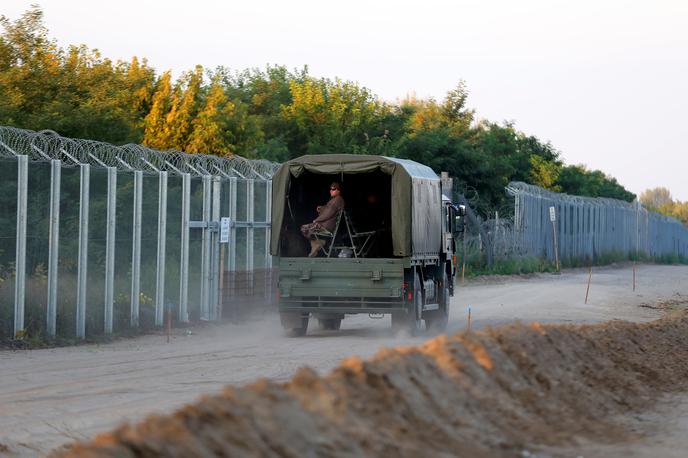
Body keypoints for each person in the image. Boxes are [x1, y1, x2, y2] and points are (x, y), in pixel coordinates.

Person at [300, 182, 345, 256]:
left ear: (338, 191)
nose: (331, 190)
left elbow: (329, 213)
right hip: (326, 225)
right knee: (307, 229)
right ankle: (318, 243)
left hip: (326, 226)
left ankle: (318, 244)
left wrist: (317, 220)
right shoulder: (336, 200)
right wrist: (321, 208)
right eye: (330, 189)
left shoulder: (337, 200)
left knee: (304, 228)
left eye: (333, 189)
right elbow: (328, 208)